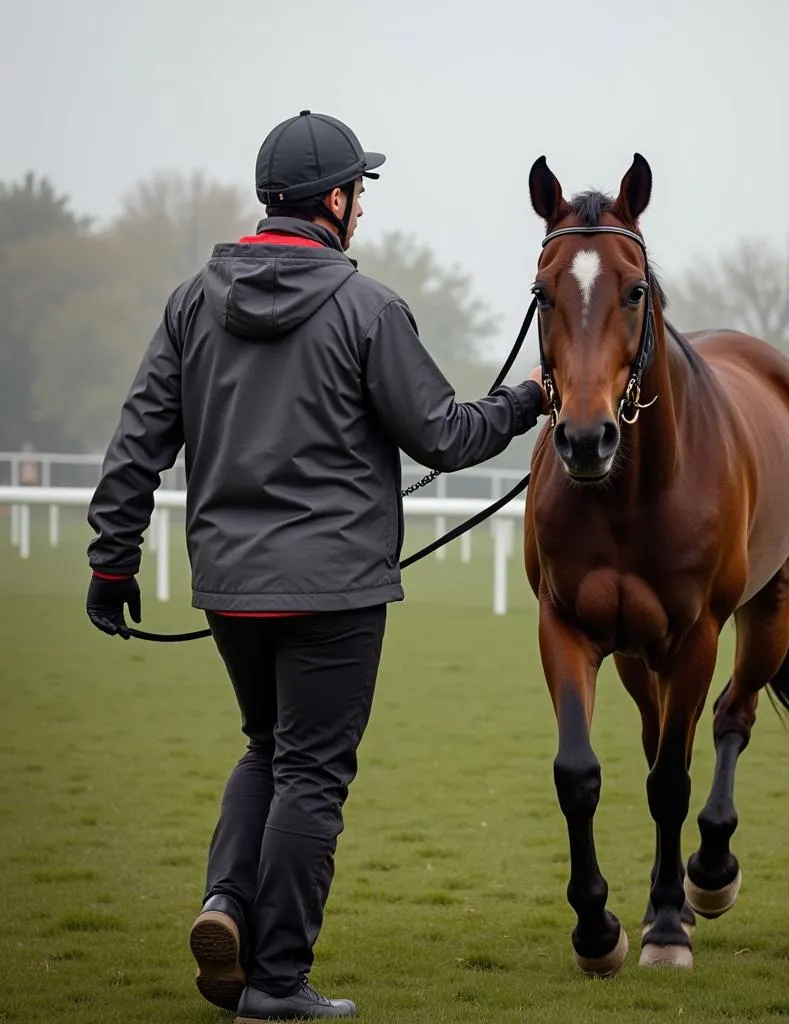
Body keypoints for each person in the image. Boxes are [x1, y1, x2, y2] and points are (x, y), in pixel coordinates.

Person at [85, 109, 547, 1022]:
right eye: (360, 190)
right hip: (335, 592)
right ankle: (277, 983)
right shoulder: (367, 309)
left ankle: (226, 906)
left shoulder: (190, 302)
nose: (363, 207)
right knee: (312, 773)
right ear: (334, 200)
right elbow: (445, 436)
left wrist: (110, 563)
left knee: (267, 746)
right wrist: (529, 400)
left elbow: (137, 441)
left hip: (229, 587)